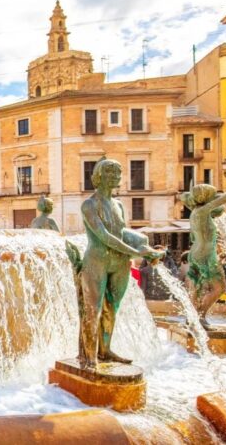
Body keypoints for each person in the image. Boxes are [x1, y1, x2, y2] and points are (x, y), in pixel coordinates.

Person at [75, 158, 162, 368]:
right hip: (96, 262)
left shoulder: (119, 205)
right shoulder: (89, 204)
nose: (115, 176)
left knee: (111, 308)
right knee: (93, 310)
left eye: (117, 173)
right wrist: (135, 253)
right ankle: (89, 356)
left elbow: (122, 232)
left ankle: (105, 350)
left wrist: (144, 245)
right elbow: (104, 235)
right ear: (98, 176)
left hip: (119, 262)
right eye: (109, 172)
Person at [181, 184, 226, 329]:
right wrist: (215, 198)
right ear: (206, 197)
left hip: (195, 252)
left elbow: (183, 196)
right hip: (206, 254)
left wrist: (194, 197)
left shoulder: (195, 211)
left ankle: (192, 318)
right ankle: (200, 316)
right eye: (211, 195)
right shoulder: (204, 210)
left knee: (197, 287)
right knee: (219, 288)